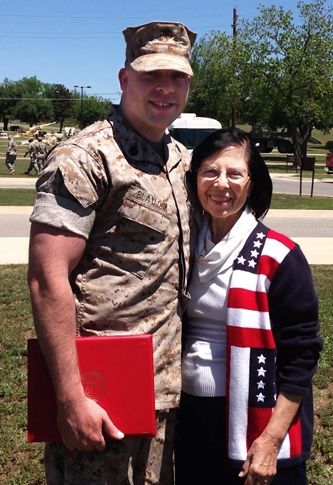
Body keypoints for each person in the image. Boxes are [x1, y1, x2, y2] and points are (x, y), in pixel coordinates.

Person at [27, 20, 197, 485]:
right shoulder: (84, 158)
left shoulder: (181, 161)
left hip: (167, 392)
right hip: (102, 394)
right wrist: (70, 398)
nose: (165, 88)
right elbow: (46, 279)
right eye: (151, 75)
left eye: (178, 77)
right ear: (125, 79)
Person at [175, 128, 322, 485]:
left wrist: (271, 440)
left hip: (253, 414)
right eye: (210, 171)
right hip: (191, 414)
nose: (220, 183)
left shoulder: (279, 256)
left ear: (251, 183)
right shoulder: (183, 247)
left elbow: (301, 356)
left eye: (234, 173)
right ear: (195, 180)